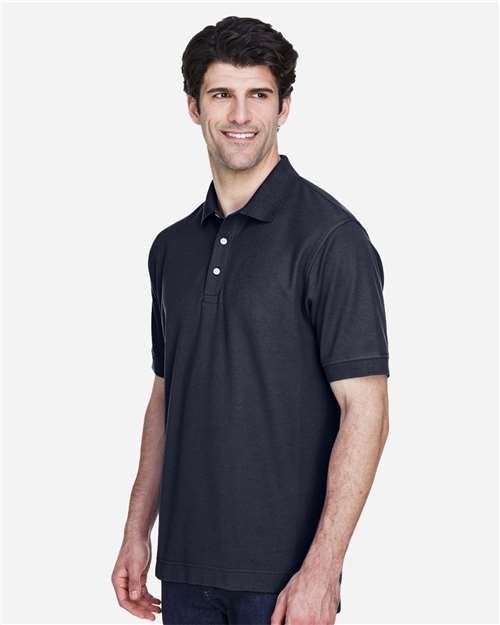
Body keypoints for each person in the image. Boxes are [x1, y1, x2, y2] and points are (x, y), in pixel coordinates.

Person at [111, 15, 390, 625]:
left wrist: (323, 569)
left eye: (258, 94)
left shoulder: (331, 239)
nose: (240, 114)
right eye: (221, 94)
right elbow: (166, 394)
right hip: (184, 569)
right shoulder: (171, 248)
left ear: (283, 107)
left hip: (283, 579)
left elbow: (366, 410)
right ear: (194, 107)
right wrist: (136, 531)